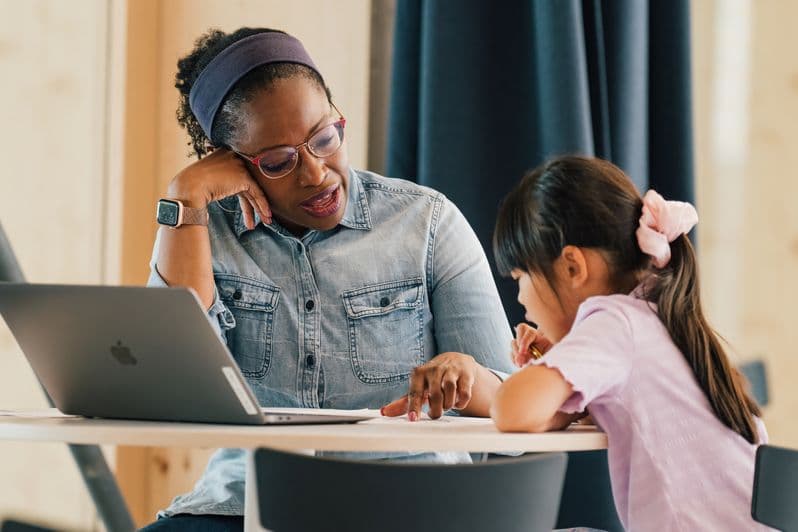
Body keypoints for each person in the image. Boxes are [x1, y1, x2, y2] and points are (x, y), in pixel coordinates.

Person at [141, 27, 514, 530]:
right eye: (278, 161)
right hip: (246, 507)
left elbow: (513, 404)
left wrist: (466, 375)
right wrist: (184, 199)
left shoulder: (426, 224)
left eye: (323, 137)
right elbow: (168, 390)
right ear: (230, 163)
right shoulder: (207, 234)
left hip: (408, 506)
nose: (315, 173)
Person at [490, 156, 769, 531]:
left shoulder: (614, 323)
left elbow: (513, 410)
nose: (521, 298)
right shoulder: (663, 316)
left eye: (521, 276)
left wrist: (547, 376)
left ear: (572, 267)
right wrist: (562, 371)